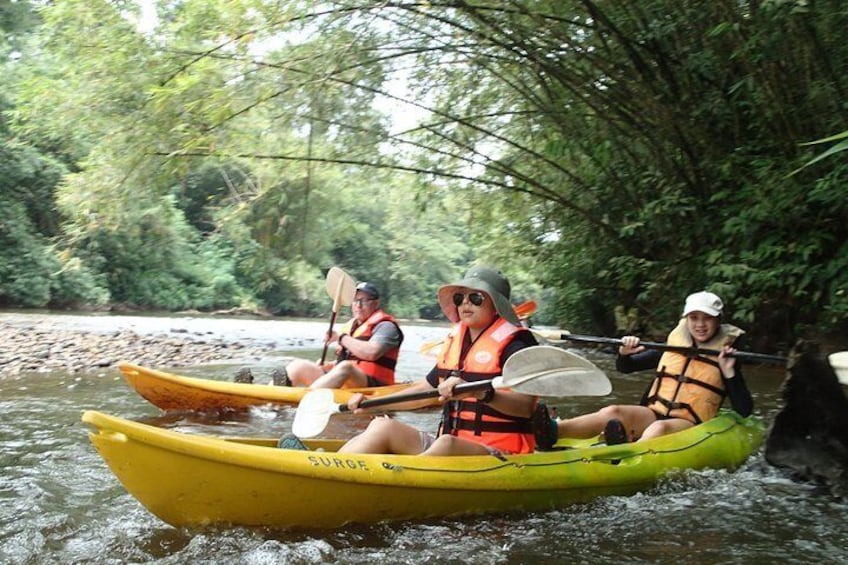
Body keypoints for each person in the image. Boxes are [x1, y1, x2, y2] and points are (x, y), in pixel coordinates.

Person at [332, 266, 541, 456]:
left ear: (497, 304)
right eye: (460, 298)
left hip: (501, 452)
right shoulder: (456, 341)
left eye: (476, 298)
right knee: (382, 426)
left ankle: (401, 482)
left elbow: (525, 407)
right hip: (453, 445)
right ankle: (329, 467)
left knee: (446, 444)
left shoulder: (518, 344)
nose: (466, 303)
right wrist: (373, 405)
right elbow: (424, 391)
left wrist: (479, 392)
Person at [537, 291, 754, 448]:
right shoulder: (672, 349)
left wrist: (729, 372)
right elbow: (626, 368)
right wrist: (624, 352)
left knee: (658, 430)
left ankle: (627, 452)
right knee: (613, 412)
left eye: (707, 318)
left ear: (718, 321)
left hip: (687, 423)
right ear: (686, 320)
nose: (700, 324)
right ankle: (552, 431)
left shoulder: (724, 358)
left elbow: (744, 409)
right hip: (653, 414)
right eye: (694, 318)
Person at [239, 281, 404, 389]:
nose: (358, 305)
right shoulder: (352, 327)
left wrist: (340, 338)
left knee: (345, 368)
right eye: (355, 301)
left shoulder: (386, 326)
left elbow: (371, 352)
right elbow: (347, 359)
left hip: (374, 385)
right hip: (346, 380)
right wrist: (328, 367)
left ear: (375, 303)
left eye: (364, 301)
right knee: (299, 365)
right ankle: (266, 395)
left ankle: (303, 399)